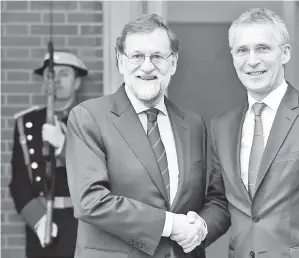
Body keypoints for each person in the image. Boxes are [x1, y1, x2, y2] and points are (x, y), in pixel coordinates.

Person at [191, 8, 299, 258]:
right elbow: (222, 202)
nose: (252, 60)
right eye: (242, 50)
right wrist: (197, 228)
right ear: (233, 57)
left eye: (263, 48)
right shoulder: (221, 126)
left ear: (285, 53)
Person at [65, 14, 208, 258]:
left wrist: (200, 226)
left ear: (172, 63)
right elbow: (90, 201)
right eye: (137, 56)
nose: (147, 66)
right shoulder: (88, 117)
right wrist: (171, 225)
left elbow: (206, 199)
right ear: (120, 62)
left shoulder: (193, 125)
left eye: (157, 56)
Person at [9, 51, 88, 258]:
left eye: (64, 74)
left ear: (77, 82)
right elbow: (18, 181)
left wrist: (63, 147)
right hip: (43, 221)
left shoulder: (93, 121)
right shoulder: (27, 123)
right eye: (50, 75)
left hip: (83, 223)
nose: (56, 80)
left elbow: (102, 173)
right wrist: (38, 219)